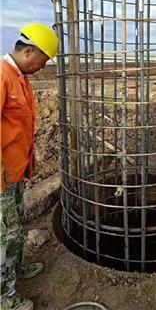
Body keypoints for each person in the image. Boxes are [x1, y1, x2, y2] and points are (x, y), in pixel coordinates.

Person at [0, 24, 58, 310]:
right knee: (2, 236)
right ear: (27, 51)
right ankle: (4, 299)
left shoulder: (19, 78)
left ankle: (17, 268)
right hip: (1, 178)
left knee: (15, 229)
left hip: (16, 173)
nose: (43, 67)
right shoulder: (1, 76)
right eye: (43, 61)